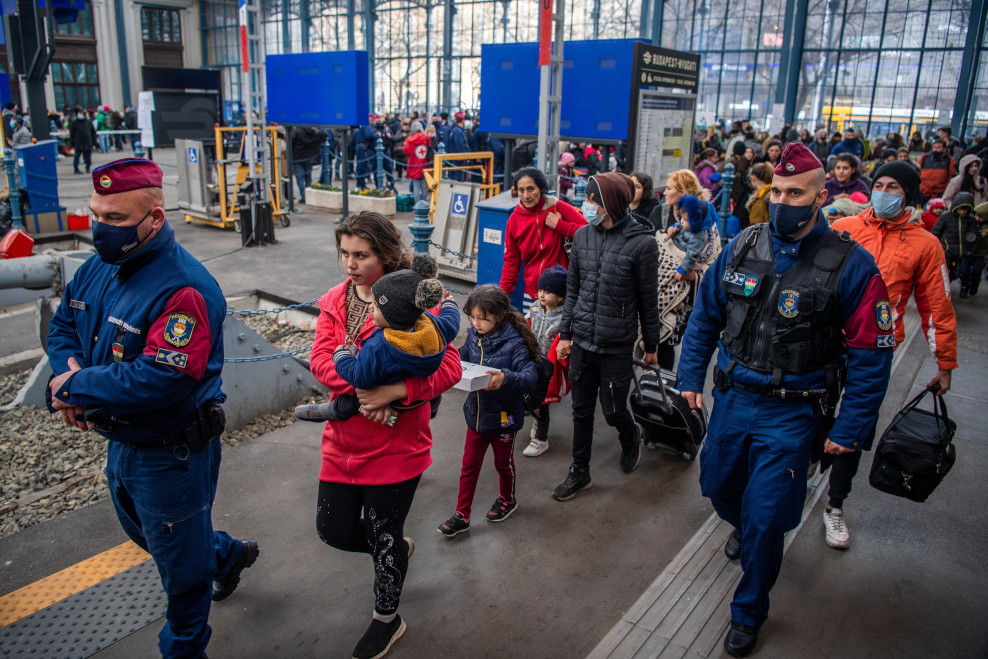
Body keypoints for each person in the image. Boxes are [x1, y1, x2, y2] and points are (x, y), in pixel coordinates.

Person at [677, 143, 894, 657]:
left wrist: (850, 428)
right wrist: (690, 377)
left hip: (793, 410)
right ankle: (747, 529)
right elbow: (706, 316)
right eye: (775, 191)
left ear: (820, 198)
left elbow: (871, 357)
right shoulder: (743, 245)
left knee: (770, 515)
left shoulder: (852, 266)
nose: (782, 201)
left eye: (795, 193)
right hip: (731, 398)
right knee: (717, 485)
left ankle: (749, 610)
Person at [45, 159, 258, 658]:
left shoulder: (183, 288)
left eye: (116, 218)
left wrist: (75, 386)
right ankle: (224, 556)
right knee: (153, 535)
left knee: (182, 578)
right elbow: (62, 329)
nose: (101, 227)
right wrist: (72, 378)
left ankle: (185, 649)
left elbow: (161, 378)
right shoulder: (99, 267)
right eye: (95, 213)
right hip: (122, 442)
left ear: (155, 219)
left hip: (172, 452)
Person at [309, 211, 461, 659]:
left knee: (385, 534)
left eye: (362, 254)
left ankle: (386, 619)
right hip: (342, 443)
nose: (350, 264)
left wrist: (398, 389)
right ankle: (392, 548)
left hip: (398, 446)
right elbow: (319, 358)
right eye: (344, 254)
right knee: (332, 529)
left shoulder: (412, 297)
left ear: (388, 255)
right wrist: (360, 384)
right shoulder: (334, 301)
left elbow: (449, 365)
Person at [826, 161, 956, 549]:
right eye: (879, 184)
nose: (884, 192)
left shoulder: (925, 245)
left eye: (894, 187)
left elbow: (937, 306)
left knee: (854, 430)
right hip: (825, 346)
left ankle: (834, 505)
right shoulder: (843, 230)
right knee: (810, 416)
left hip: (875, 353)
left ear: (909, 195)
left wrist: (945, 364)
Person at [552, 172, 660, 501]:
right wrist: (565, 333)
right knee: (581, 410)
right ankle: (579, 471)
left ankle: (630, 437)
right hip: (583, 340)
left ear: (610, 202)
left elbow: (648, 299)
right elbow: (573, 291)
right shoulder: (582, 236)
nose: (585, 205)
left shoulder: (642, 244)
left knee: (612, 410)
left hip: (617, 344)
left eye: (591, 199)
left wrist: (652, 345)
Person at [437, 286, 540, 537]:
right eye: (473, 317)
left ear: (500, 315)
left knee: (503, 463)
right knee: (468, 466)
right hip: (476, 415)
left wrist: (505, 377)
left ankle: (508, 499)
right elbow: (462, 357)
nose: (476, 323)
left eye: (483, 318)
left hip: (504, 417)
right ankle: (462, 515)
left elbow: (529, 377)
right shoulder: (473, 334)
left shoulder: (515, 342)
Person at [500, 167, 587, 302]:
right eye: (521, 190)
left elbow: (589, 233)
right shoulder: (514, 220)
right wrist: (503, 296)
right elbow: (511, 262)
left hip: (562, 291)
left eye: (530, 189)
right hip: (533, 293)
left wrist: (560, 225)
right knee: (532, 323)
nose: (526, 196)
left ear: (541, 188)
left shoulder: (557, 207)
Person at [525, 265, 570, 457]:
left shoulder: (566, 316)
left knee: (542, 402)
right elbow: (525, 324)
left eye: (548, 292)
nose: (541, 295)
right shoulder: (535, 306)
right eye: (540, 290)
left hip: (549, 369)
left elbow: (570, 340)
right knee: (532, 398)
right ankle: (536, 421)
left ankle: (541, 439)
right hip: (531, 363)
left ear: (560, 296)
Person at [931, 192, 978, 291]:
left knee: (957, 273)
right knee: (943, 272)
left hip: (962, 252)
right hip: (946, 250)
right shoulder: (946, 217)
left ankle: (949, 284)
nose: (963, 211)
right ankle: (942, 289)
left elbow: (975, 236)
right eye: (961, 208)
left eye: (966, 209)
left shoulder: (971, 220)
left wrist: (971, 251)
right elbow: (935, 232)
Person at [666, 194, 715, 280]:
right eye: (681, 218)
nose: (682, 222)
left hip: (681, 253)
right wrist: (673, 227)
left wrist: (682, 270)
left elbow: (691, 255)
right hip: (677, 242)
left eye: (685, 220)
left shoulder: (698, 238)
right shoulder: (687, 225)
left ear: (695, 221)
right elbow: (680, 226)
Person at [291, 126, 328, 204]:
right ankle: (308, 195)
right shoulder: (315, 134)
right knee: (308, 177)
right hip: (310, 158)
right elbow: (324, 135)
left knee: (300, 178)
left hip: (297, 157)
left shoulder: (298, 131)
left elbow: (291, 142)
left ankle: (304, 196)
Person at [403, 121, 432, 204]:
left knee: (416, 187)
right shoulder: (426, 137)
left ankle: (417, 206)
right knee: (424, 187)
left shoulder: (410, 139)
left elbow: (406, 152)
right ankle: (425, 205)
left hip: (414, 165)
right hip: (425, 164)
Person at [69, 106, 97, 174]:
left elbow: (93, 132)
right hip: (78, 142)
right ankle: (76, 169)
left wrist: (94, 142)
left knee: (88, 157)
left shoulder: (88, 122)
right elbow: (72, 133)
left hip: (87, 142)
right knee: (77, 156)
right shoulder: (74, 123)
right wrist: (72, 142)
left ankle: (88, 168)